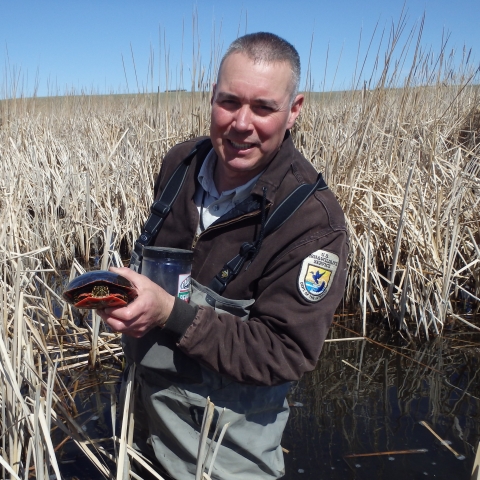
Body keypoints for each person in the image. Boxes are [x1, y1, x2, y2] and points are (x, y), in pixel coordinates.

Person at [98, 32, 348, 480]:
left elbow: (284, 352)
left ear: (294, 110)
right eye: (230, 101)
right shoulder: (180, 165)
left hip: (224, 444)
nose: (241, 123)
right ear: (211, 96)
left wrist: (169, 313)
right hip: (140, 416)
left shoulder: (313, 222)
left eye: (264, 108)